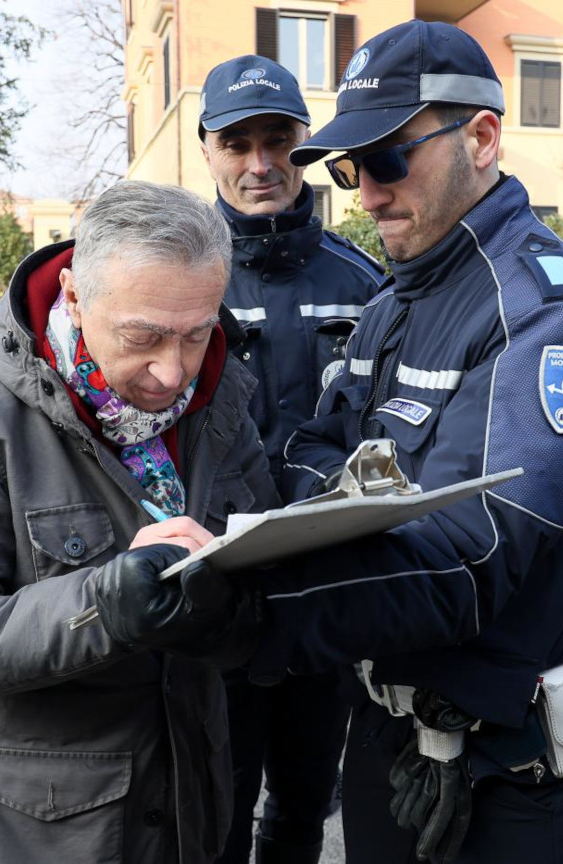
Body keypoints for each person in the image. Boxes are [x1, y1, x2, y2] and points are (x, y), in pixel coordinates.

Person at [84, 20, 563, 864]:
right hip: (387, 735)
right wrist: (360, 490)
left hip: (510, 766)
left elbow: (475, 554)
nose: (367, 194)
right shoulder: (394, 303)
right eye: (351, 169)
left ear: (483, 137)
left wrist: (244, 609)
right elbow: (315, 450)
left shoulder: (548, 306)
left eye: (389, 160)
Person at [0, 181, 278, 864]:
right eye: (143, 337)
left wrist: (229, 609)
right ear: (73, 296)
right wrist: (102, 606)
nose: (172, 370)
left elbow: (261, 599)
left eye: (196, 333)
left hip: (198, 814)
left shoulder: (222, 402)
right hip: (54, 833)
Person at [197, 55, 384, 864]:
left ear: (304, 145)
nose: (259, 165)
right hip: (213, 596)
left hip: (322, 596)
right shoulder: (182, 277)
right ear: (207, 149)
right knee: (218, 807)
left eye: (277, 140)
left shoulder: (365, 281)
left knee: (306, 802)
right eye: (237, 144)